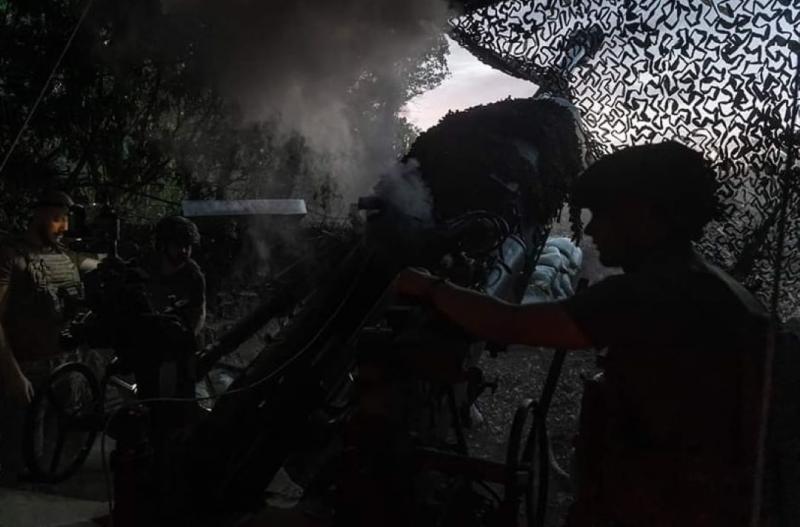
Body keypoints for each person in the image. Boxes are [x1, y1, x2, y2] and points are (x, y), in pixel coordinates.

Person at [394, 141, 768, 526]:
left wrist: (430, 288)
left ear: (643, 214)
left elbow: (511, 324)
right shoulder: (718, 289)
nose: (590, 230)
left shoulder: (652, 293)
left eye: (602, 214)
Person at [0, 190, 99, 478]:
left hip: (67, 369)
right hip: (28, 370)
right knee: (22, 461)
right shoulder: (11, 256)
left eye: (66, 219)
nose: (64, 227)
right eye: (57, 219)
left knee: (59, 458)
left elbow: (94, 267)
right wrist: (12, 373)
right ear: (38, 215)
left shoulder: (65, 255)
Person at [146, 215, 206, 338]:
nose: (183, 251)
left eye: (187, 246)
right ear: (163, 245)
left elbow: (199, 312)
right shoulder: (144, 268)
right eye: (178, 245)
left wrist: (189, 337)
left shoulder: (193, 275)